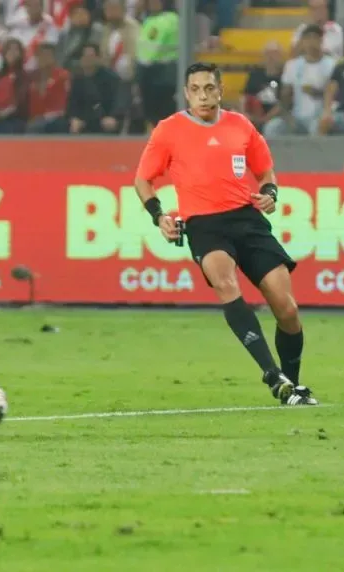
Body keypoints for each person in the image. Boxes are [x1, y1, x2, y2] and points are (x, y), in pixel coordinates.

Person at [134, 63, 317, 406]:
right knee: (225, 283)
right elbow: (143, 180)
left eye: (209, 88)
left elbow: (266, 172)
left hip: (247, 220)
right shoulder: (169, 130)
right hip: (204, 224)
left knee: (287, 309)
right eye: (195, 89)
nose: (203, 96)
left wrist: (270, 194)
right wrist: (159, 216)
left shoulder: (240, 126)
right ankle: (271, 373)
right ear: (186, 93)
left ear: (220, 90)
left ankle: (292, 386)